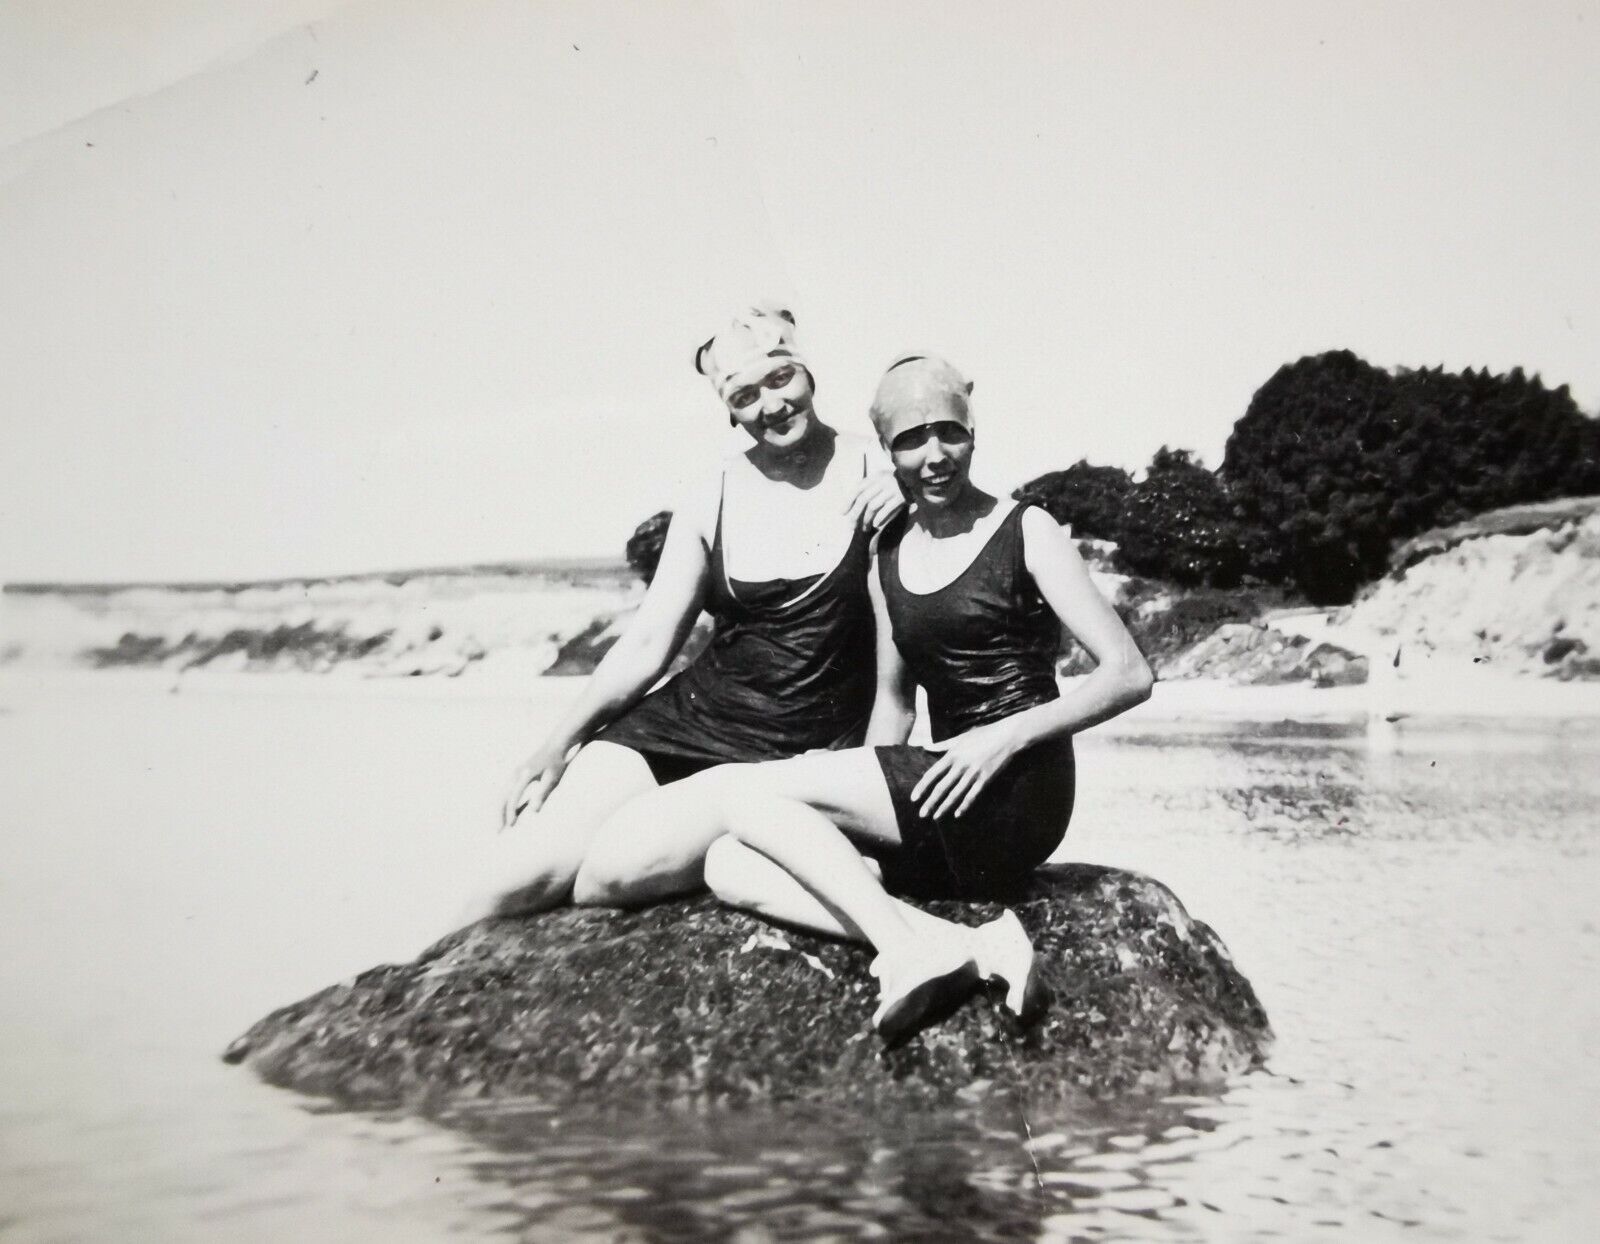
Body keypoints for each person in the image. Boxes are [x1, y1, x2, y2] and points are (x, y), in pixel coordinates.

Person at [571, 354, 1154, 1042]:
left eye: (949, 433)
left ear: (973, 431)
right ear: (885, 452)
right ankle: (967, 943)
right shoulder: (889, 554)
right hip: (941, 796)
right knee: (732, 860)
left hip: (1020, 793)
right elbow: (894, 704)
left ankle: (907, 949)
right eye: (911, 439)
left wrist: (1004, 735)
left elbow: (1127, 674)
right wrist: (839, 795)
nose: (934, 455)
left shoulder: (1026, 530)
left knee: (746, 794)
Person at [473, 306, 904, 916]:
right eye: (746, 395)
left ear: (808, 375)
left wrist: (913, 489)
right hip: (682, 723)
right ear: (729, 411)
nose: (771, 405)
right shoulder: (713, 493)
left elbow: (960, 510)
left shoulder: (881, 475)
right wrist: (555, 745)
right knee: (514, 877)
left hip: (787, 754)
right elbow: (650, 642)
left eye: (781, 380)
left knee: (604, 879)